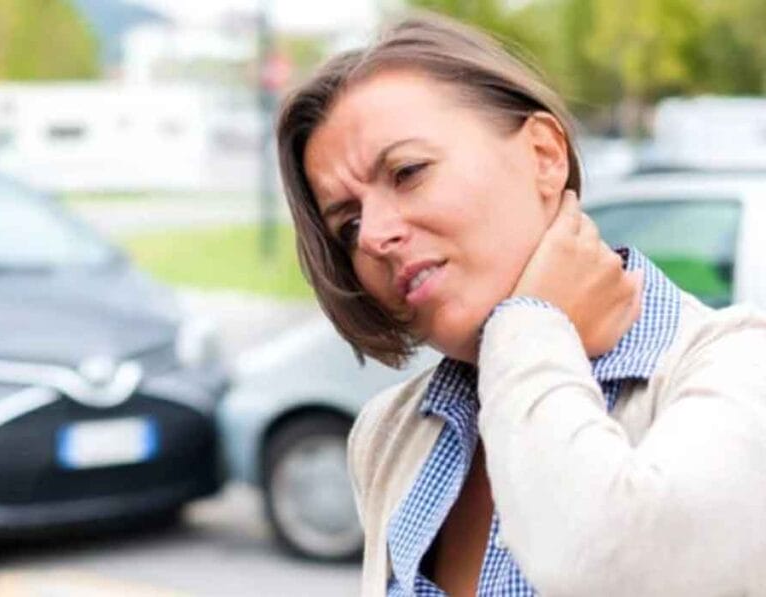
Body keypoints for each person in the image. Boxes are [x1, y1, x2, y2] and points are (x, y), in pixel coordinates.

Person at [276, 13, 766, 597]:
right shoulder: (390, 433)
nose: (375, 235)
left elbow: (617, 565)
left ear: (544, 153)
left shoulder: (738, 366)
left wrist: (531, 324)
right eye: (349, 223)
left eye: (407, 172)